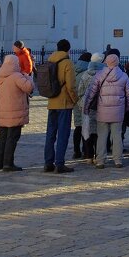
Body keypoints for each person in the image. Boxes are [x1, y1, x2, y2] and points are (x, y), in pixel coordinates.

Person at [84, 53, 129, 169]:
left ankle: (100, 160)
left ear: (106, 62)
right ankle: (118, 160)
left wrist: (86, 107)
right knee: (117, 135)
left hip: (102, 110)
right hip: (118, 110)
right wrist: (127, 107)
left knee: (102, 135)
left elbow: (91, 92)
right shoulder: (124, 76)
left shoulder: (99, 75)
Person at [42, 38, 77, 174]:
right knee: (63, 133)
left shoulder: (50, 60)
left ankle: (48, 162)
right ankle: (60, 163)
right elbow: (71, 86)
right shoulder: (67, 62)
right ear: (68, 49)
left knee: (50, 133)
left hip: (52, 101)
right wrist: (75, 99)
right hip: (64, 102)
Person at [0, 54, 33, 171]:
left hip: (2, 112)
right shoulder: (16, 76)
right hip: (14, 112)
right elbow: (28, 87)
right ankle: (8, 163)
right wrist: (28, 77)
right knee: (12, 137)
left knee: (2, 137)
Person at [75, 52, 104, 160]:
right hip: (99, 105)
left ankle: (88, 155)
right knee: (97, 131)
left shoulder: (85, 74)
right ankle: (97, 155)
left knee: (87, 131)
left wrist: (81, 103)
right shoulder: (102, 74)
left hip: (86, 106)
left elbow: (80, 91)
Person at [71, 51, 92, 159]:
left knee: (78, 126)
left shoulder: (73, 70)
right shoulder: (87, 73)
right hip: (85, 103)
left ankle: (76, 150)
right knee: (86, 128)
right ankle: (85, 150)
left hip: (75, 102)